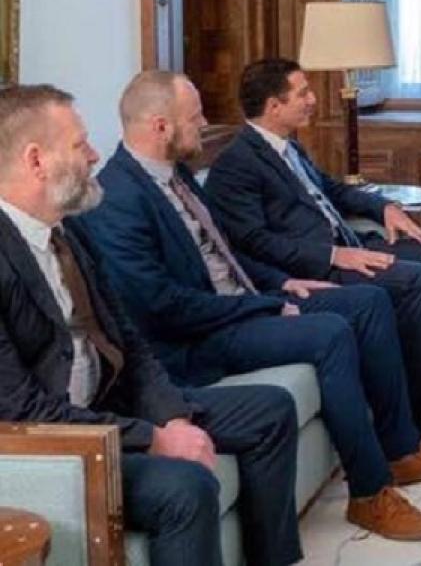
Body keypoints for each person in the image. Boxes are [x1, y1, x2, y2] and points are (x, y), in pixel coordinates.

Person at [82, 71, 421, 541]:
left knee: (369, 302)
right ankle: (370, 494)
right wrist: (265, 305)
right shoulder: (116, 198)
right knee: (330, 334)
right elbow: (162, 307)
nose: (205, 125)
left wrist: (283, 283)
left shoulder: (176, 174)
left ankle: (401, 449)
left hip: (241, 303)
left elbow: (228, 253)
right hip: (197, 339)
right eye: (195, 118)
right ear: (160, 126)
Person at [0, 84, 301, 565]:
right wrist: (154, 437)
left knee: (271, 410)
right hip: (60, 443)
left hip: (110, 407)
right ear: (36, 160)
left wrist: (171, 415)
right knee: (185, 488)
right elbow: (22, 410)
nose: (94, 154)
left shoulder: (70, 230)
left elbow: (129, 343)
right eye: (80, 144)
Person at [204, 58, 421, 447]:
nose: (313, 100)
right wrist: (333, 256)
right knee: (412, 280)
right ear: (273, 106)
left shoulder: (288, 146)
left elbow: (331, 189)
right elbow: (254, 242)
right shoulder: (236, 165)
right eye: (303, 93)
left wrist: (383, 207)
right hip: (314, 267)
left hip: (349, 244)